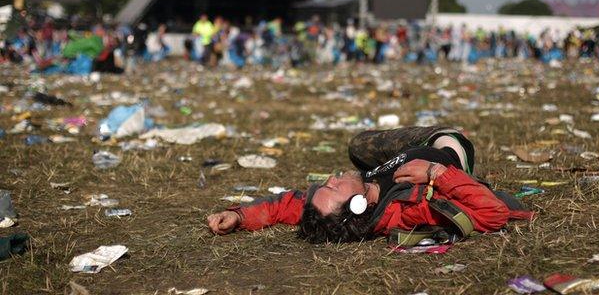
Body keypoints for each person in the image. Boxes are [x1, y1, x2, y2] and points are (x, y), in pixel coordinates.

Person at [206, 126, 533, 244]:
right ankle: (448, 140)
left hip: (394, 158)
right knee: (448, 138)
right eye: (333, 188)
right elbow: (494, 214)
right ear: (357, 206)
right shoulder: (408, 210)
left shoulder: (352, 197)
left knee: (357, 145)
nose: (330, 179)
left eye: (325, 184)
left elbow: (290, 204)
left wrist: (239, 216)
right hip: (443, 147)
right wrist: (436, 170)